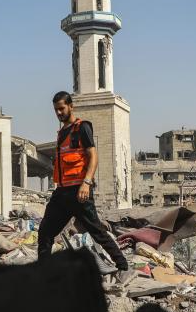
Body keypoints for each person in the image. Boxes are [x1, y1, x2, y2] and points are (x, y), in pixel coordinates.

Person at [38, 91, 135, 285]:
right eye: (56, 110)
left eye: (61, 108)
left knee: (96, 231)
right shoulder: (62, 133)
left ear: (71, 106)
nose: (58, 113)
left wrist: (87, 182)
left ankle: (124, 266)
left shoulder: (82, 127)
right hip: (62, 193)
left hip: (79, 191)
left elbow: (93, 156)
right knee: (45, 232)